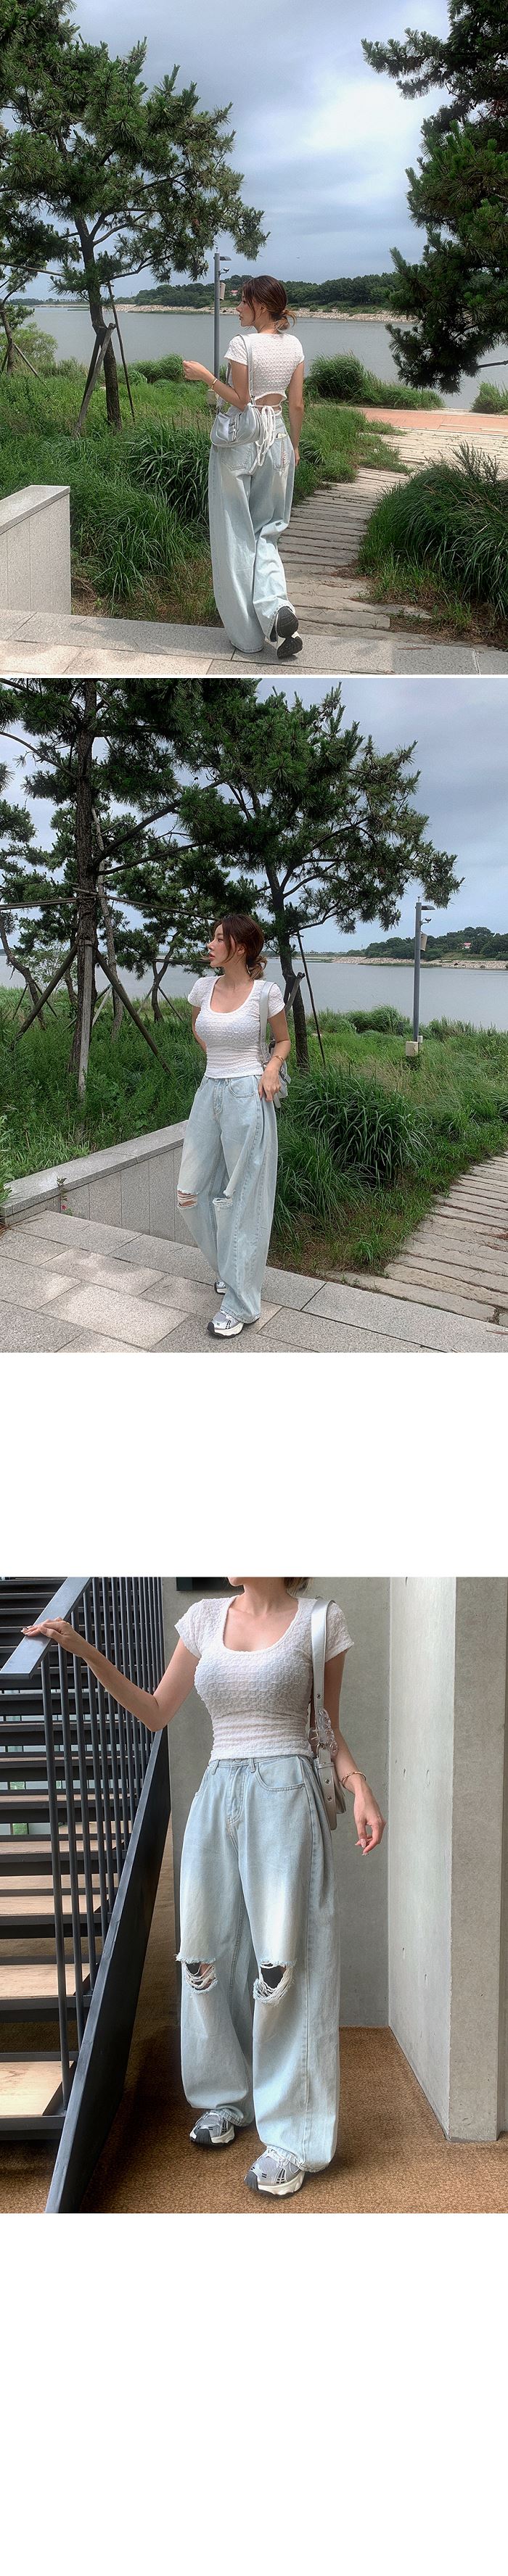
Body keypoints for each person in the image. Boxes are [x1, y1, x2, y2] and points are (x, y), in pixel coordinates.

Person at [24, 1580, 385, 2202]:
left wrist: (360, 1787)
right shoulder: (202, 1618)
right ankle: (226, 2096)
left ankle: (293, 2135)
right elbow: (156, 1710)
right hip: (218, 1795)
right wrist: (85, 1651)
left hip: (286, 1796)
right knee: (204, 1956)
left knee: (284, 1965)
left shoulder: (320, 1620)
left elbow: (325, 1727)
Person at [177, 912, 290, 1340]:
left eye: (217, 939)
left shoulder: (266, 993)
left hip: (248, 1095)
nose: (209, 945)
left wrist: (270, 1068)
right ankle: (230, 1269)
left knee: (242, 1198)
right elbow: (199, 1029)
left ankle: (241, 1304)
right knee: (189, 1193)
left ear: (239, 948)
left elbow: (283, 1040)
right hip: (209, 1091)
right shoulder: (203, 987)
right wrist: (220, 1058)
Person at [182, 276, 305, 660]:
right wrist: (294, 446)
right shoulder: (294, 346)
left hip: (240, 443)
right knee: (268, 531)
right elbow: (297, 404)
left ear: (261, 307)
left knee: (234, 535)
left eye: (244, 302)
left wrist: (205, 376)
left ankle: (248, 638)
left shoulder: (242, 344)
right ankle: (277, 607)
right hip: (278, 439)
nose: (237, 308)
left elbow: (240, 400)